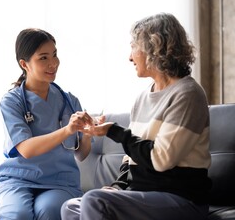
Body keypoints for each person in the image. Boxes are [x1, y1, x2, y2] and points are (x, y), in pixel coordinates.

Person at [61, 12, 212, 220]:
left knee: (94, 201)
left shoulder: (187, 94)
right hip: (144, 196)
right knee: (70, 207)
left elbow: (161, 159)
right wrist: (117, 187)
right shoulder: (143, 97)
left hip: (181, 199)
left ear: (154, 48)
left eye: (133, 47)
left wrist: (114, 131)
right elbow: (132, 156)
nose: (130, 57)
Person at [0, 28, 94, 220]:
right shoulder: (12, 102)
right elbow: (26, 150)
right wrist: (67, 130)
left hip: (59, 181)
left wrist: (87, 135)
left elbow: (81, 154)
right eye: (43, 58)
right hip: (16, 179)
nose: (53, 63)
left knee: (49, 210)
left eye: (54, 55)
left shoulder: (69, 101)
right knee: (17, 214)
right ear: (25, 64)